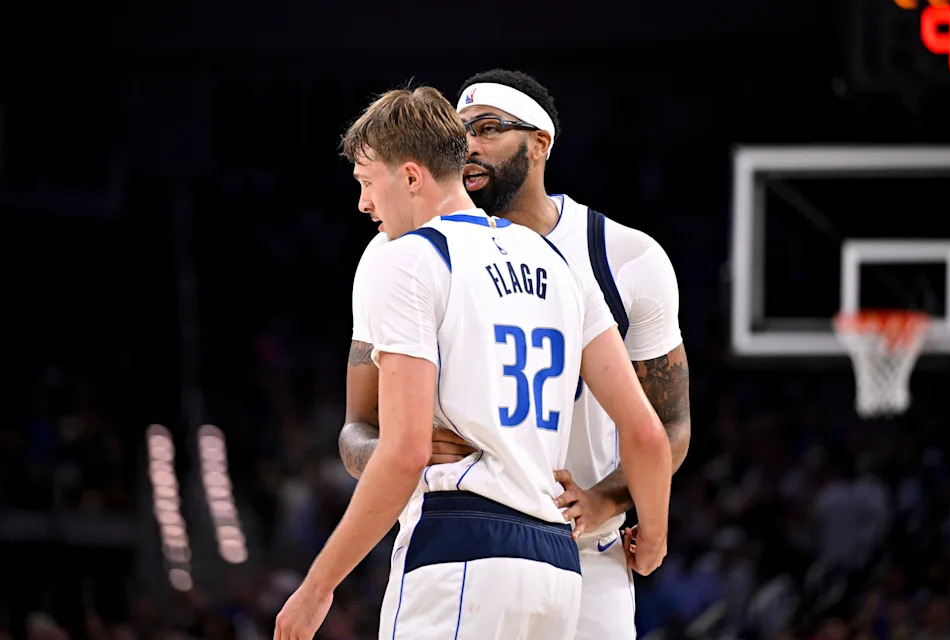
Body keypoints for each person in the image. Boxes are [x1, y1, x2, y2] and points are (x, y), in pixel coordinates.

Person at [276, 85, 673, 640]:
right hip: (558, 564)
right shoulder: (556, 263)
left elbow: (405, 452)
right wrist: (653, 537)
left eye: (366, 182)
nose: (363, 204)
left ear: (410, 176)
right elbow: (648, 433)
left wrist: (318, 586)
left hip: (460, 546)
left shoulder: (405, 259)